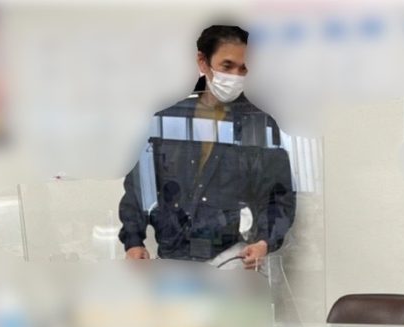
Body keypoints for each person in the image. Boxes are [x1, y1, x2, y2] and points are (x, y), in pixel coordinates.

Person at [119, 24, 295, 270]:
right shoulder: (168, 122)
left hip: (232, 259)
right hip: (171, 259)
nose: (235, 76)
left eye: (242, 68)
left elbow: (278, 197)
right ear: (203, 62)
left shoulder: (258, 126)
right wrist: (133, 241)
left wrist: (264, 241)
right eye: (227, 66)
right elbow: (139, 188)